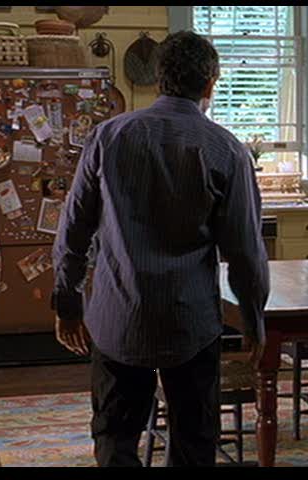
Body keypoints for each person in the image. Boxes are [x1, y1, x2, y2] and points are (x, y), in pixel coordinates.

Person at [51, 31, 270, 467]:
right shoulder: (227, 150)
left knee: (115, 438)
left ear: (158, 79)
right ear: (211, 83)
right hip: (188, 318)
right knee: (193, 438)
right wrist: (253, 317)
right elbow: (244, 250)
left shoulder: (108, 136)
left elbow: (73, 228)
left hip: (117, 316)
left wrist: (66, 301)